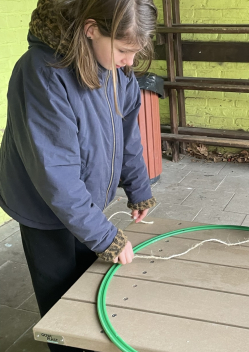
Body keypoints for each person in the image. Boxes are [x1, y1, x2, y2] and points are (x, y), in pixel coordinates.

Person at [0, 0, 158, 350]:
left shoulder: (115, 69)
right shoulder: (42, 74)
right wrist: (105, 237)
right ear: (91, 30)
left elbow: (127, 133)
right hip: (43, 207)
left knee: (89, 284)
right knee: (60, 297)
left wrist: (138, 186)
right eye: (123, 50)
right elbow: (56, 176)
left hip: (82, 202)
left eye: (135, 52)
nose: (129, 61)